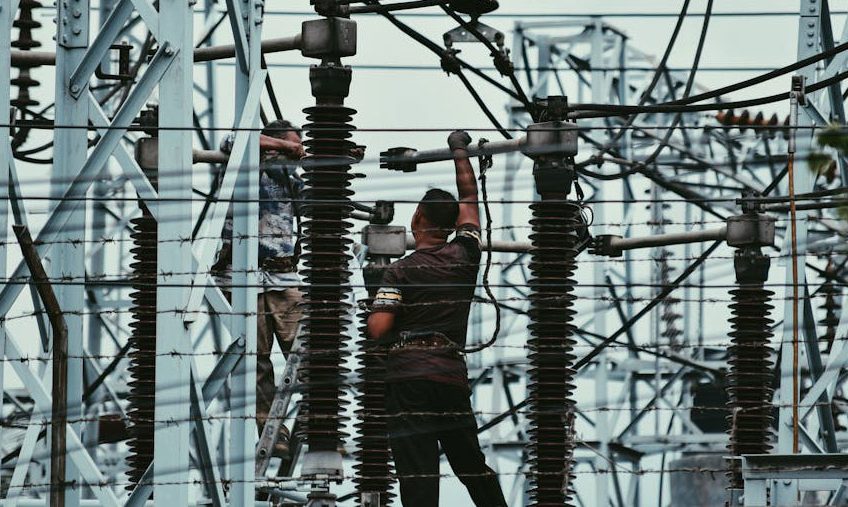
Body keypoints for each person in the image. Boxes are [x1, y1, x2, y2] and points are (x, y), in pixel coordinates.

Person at [366, 130, 507, 507]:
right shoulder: (465, 255)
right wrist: (460, 152)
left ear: (417, 216)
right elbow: (469, 199)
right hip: (448, 374)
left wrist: (379, 308)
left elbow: (378, 328)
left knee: (418, 473)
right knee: (470, 464)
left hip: (408, 378)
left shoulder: (399, 272)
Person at [213, 119, 306, 457]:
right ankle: (273, 433)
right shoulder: (236, 167)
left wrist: (332, 158)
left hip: (282, 280)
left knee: (311, 350)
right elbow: (231, 138)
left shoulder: (289, 180)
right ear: (273, 143)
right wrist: (285, 148)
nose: (295, 152)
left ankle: (312, 420)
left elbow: (318, 200)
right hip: (241, 279)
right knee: (257, 364)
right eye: (292, 145)